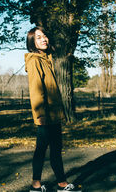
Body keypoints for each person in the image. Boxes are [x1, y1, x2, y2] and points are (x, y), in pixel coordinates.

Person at [25, 26, 82, 192]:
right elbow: (36, 90)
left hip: (53, 115)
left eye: (44, 36)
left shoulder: (46, 59)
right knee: (44, 150)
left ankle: (56, 185)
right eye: (38, 37)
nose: (44, 39)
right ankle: (47, 186)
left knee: (53, 149)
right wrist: (40, 115)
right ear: (32, 43)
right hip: (45, 115)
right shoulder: (35, 61)